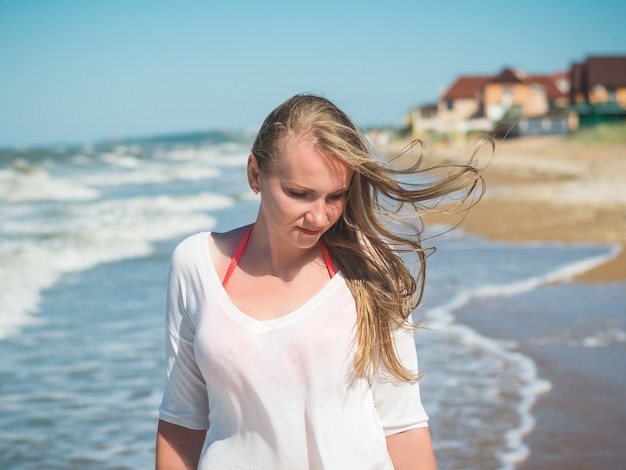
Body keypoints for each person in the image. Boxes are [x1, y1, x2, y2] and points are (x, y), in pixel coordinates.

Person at [155, 93, 486, 469]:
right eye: (299, 194)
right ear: (254, 174)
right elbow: (182, 420)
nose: (319, 216)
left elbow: (403, 425)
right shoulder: (196, 264)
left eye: (336, 196)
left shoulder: (369, 272)